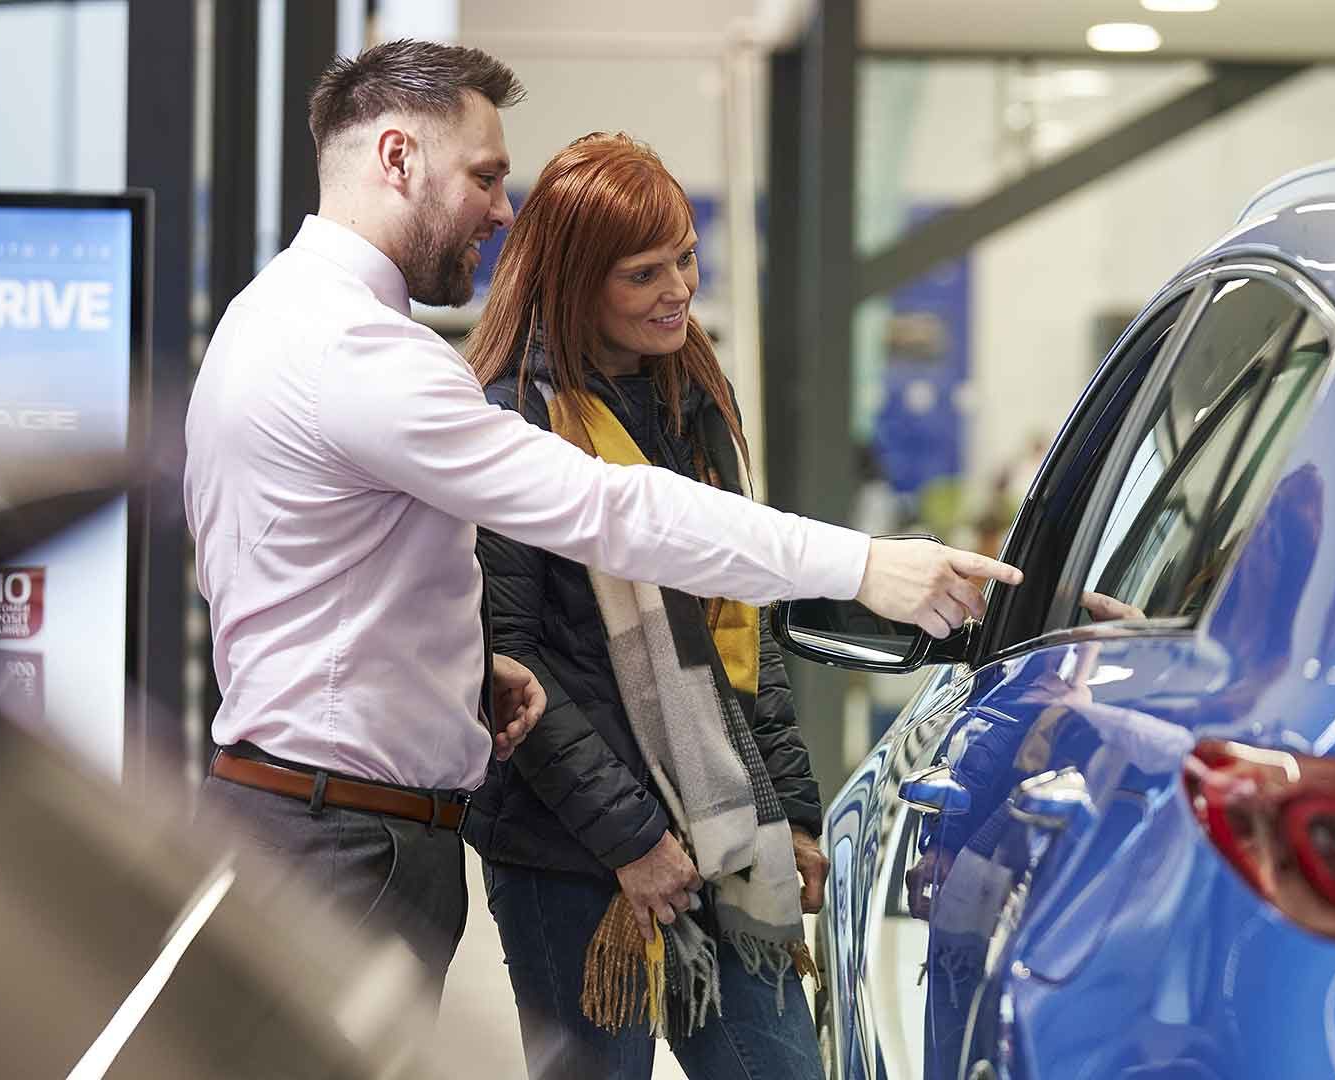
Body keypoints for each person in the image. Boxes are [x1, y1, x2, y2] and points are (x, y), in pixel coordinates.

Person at [183, 41, 1022, 1007]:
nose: (504, 210)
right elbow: (606, 507)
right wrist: (862, 565)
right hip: (346, 844)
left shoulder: (271, 317)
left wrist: (457, 667)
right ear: (398, 157)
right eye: (486, 177)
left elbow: (291, 571)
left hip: (317, 820)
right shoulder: (361, 353)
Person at [462, 133, 832, 1080]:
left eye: (686, 258)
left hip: (727, 835)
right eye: (643, 272)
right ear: (578, 281)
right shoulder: (510, 423)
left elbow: (744, 625)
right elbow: (508, 661)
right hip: (575, 857)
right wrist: (633, 840)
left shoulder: (691, 398)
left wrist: (789, 807)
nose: (679, 288)